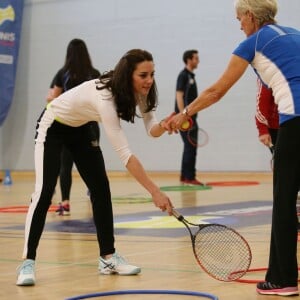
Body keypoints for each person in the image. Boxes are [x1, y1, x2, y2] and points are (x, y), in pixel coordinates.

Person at [165, 0, 300, 296]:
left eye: (238, 18)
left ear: (250, 16)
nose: (238, 24)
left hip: (296, 123)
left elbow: (216, 91)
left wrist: (183, 114)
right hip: (292, 124)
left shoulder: (253, 42)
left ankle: (283, 279)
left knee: (285, 203)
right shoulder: (294, 33)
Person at [16, 49, 173, 286]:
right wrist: (155, 191)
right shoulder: (106, 97)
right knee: (45, 191)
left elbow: (152, 129)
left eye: (152, 74)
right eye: (143, 75)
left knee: (100, 188)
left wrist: (166, 124)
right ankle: (27, 262)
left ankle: (108, 258)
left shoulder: (142, 91)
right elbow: (126, 155)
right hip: (54, 125)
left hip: (81, 127)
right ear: (128, 74)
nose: (149, 80)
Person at [46, 38, 101, 216]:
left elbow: (52, 99)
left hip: (68, 126)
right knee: (93, 163)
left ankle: (66, 203)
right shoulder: (94, 73)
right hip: (90, 125)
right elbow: (101, 98)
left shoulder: (63, 73)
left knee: (65, 166)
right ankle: (94, 193)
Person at [175, 50, 204, 186]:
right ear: (189, 60)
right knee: (190, 146)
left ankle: (184, 176)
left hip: (190, 118)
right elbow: (179, 96)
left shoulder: (191, 76)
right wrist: (183, 115)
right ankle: (189, 177)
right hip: (186, 119)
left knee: (189, 146)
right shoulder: (184, 76)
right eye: (196, 58)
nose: (198, 61)